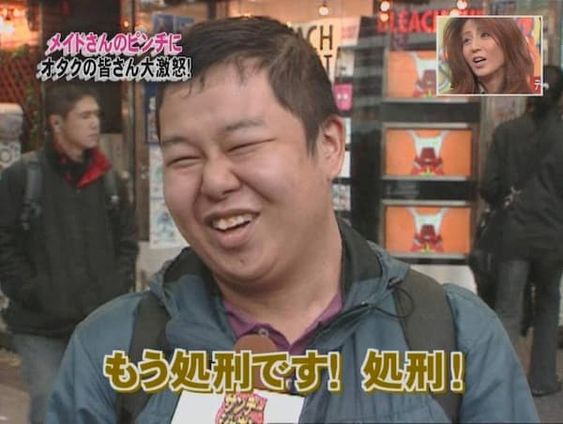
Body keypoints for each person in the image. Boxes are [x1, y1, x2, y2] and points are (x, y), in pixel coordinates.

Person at [46, 17, 538, 423]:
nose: (214, 181)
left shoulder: (455, 337)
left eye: (243, 145)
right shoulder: (110, 351)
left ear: (328, 146)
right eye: (183, 158)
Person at [0, 83, 138, 423]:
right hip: (40, 325)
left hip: (100, 320)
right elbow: (4, 243)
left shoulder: (109, 180)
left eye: (96, 115)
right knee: (51, 400)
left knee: (106, 404)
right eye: (84, 116)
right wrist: (32, 290)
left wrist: (116, 286)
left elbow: (127, 240)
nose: (95, 123)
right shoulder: (24, 177)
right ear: (57, 122)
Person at [480, 65, 563, 396]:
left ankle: (502, 384)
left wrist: (508, 201)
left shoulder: (506, 133)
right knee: (547, 306)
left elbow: (489, 186)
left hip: (513, 234)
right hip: (553, 236)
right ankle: (542, 380)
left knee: (508, 310)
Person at [443, 17, 533, 94]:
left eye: (485, 35)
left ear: (508, 40)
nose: (474, 47)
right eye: (467, 40)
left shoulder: (531, 97)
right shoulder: (452, 99)